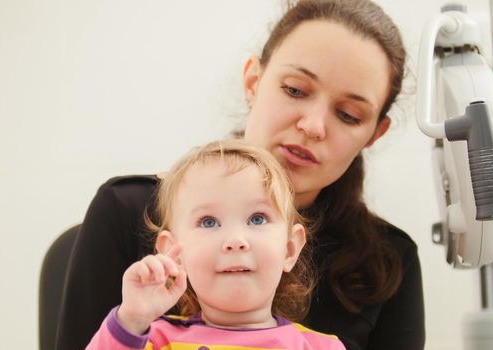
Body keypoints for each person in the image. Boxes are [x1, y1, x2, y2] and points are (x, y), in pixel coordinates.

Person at [57, 1, 425, 349]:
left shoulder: (390, 261)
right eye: (295, 90)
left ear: (375, 133)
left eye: (348, 114)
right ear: (253, 82)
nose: (312, 126)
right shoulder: (127, 210)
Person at [85, 140, 346, 349]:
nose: (235, 241)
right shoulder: (152, 340)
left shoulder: (321, 347)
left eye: (257, 218)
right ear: (173, 254)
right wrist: (131, 320)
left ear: (289, 249)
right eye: (209, 222)